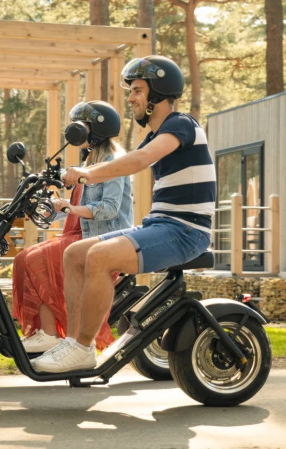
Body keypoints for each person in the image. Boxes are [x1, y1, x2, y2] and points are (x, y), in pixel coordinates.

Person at [32, 55, 215, 373]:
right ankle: (73, 343)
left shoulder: (180, 125)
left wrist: (85, 174)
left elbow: (137, 161)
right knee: (75, 253)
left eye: (137, 90)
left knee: (100, 257)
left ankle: (83, 347)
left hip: (186, 230)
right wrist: (67, 172)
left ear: (157, 94)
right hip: (161, 224)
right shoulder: (156, 135)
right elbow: (132, 158)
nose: (130, 97)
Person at [13, 100, 134, 353]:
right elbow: (77, 208)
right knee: (24, 257)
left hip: (105, 238)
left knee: (38, 258)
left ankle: (52, 335)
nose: (75, 131)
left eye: (81, 126)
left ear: (95, 129)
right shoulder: (90, 161)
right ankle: (44, 333)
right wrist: (50, 208)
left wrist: (68, 208)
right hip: (80, 234)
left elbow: (109, 208)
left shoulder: (114, 162)